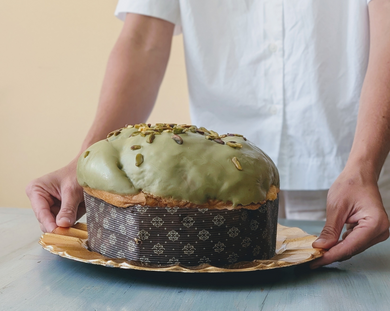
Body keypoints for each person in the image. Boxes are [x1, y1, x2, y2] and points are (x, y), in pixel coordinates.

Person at [26, 0, 390, 269]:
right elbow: (143, 39)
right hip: (209, 194)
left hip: (357, 182)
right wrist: (87, 163)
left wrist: (363, 166)